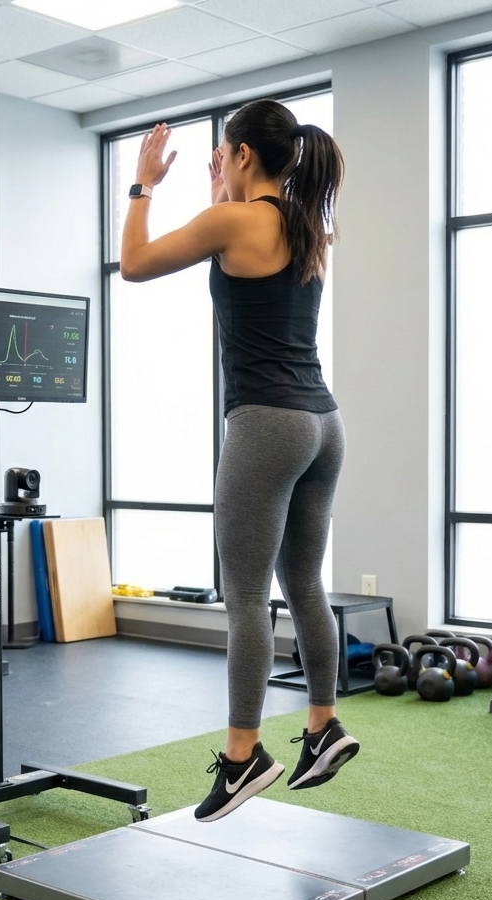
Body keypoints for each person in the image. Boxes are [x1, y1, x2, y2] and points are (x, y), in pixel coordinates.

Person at [120, 99, 358, 823]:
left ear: (244, 155)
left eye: (226, 153)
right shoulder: (305, 223)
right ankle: (323, 727)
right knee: (305, 584)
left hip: (266, 425)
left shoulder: (235, 221)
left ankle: (243, 756)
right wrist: (222, 192)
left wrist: (143, 186)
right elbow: (236, 242)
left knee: (247, 596)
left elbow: (133, 264)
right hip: (323, 424)